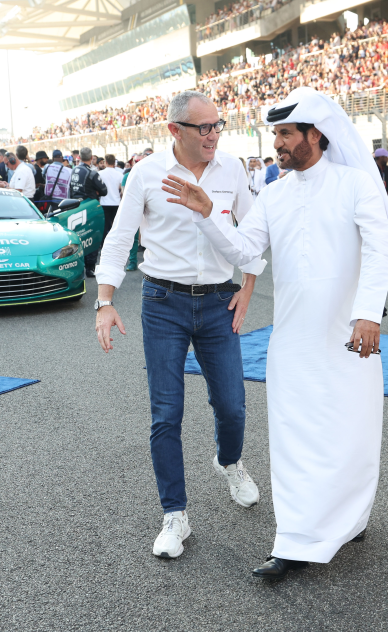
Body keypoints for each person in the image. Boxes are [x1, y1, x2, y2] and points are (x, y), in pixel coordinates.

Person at [162, 86, 388, 580]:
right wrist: (209, 215)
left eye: (286, 135)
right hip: (292, 341)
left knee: (350, 434)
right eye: (276, 135)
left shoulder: (355, 185)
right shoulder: (273, 193)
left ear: (316, 134)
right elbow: (246, 253)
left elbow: (379, 248)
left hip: (349, 335)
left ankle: (349, 519)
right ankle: (293, 540)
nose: (278, 145)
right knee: (292, 437)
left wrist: (368, 313)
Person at [94, 90, 266, 560]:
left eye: (217, 125)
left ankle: (228, 461)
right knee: (165, 413)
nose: (213, 135)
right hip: (163, 301)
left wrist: (248, 287)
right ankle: (175, 514)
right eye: (203, 127)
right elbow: (119, 238)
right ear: (175, 130)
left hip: (217, 301)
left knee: (231, 405)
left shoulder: (232, 170)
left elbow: (255, 234)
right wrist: (104, 301)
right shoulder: (146, 174)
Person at [68, 147, 109, 277]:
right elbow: (104, 191)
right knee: (91, 236)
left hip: (74, 207)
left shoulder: (74, 170)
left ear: (78, 157)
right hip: (89, 208)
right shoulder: (92, 173)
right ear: (91, 158)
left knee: (77, 236)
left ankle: (78, 266)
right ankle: (90, 268)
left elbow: (70, 189)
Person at [98, 154, 123, 236]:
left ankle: (104, 244)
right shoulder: (119, 174)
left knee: (104, 225)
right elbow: (120, 188)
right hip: (116, 202)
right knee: (116, 225)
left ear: (106, 162)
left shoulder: (100, 173)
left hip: (104, 202)